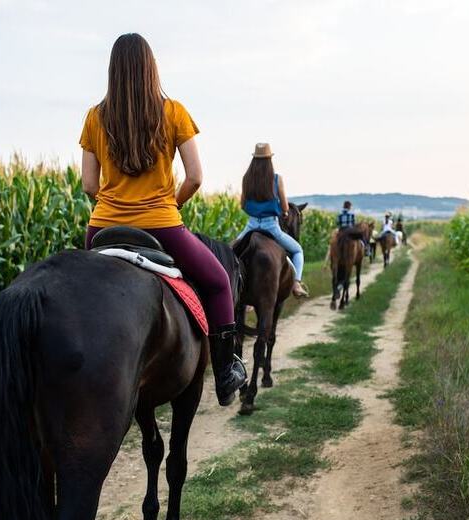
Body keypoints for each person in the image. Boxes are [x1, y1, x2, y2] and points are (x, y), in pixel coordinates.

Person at [78, 33, 246, 406]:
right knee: (219, 282)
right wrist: (171, 204)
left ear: (113, 71)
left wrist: (113, 204)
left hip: (102, 228)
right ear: (151, 68)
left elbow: (89, 184)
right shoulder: (173, 112)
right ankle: (224, 372)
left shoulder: (94, 117)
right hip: (161, 225)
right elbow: (196, 177)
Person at [236, 143, 308, 298]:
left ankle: (234, 287)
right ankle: (296, 283)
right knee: (297, 251)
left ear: (254, 159)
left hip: (252, 225)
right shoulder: (277, 179)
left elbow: (243, 205)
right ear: (269, 160)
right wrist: (285, 213)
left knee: (231, 251)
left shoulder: (246, 179)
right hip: (271, 226)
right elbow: (284, 206)